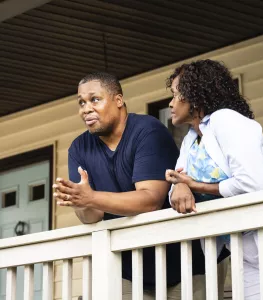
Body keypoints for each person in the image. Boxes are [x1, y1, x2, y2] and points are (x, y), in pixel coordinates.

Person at [52, 72, 229, 299]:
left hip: (187, 261)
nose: (86, 109)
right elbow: (92, 216)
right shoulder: (79, 148)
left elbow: (150, 200)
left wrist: (90, 197)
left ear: (118, 100)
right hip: (129, 267)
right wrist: (80, 200)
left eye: (95, 99)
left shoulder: (148, 130)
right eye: (81, 103)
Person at [165, 59, 263, 299]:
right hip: (241, 245)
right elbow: (176, 184)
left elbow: (251, 182)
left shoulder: (226, 120)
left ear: (195, 94)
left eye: (176, 94)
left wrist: (196, 185)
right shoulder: (190, 140)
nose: (171, 103)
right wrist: (180, 185)